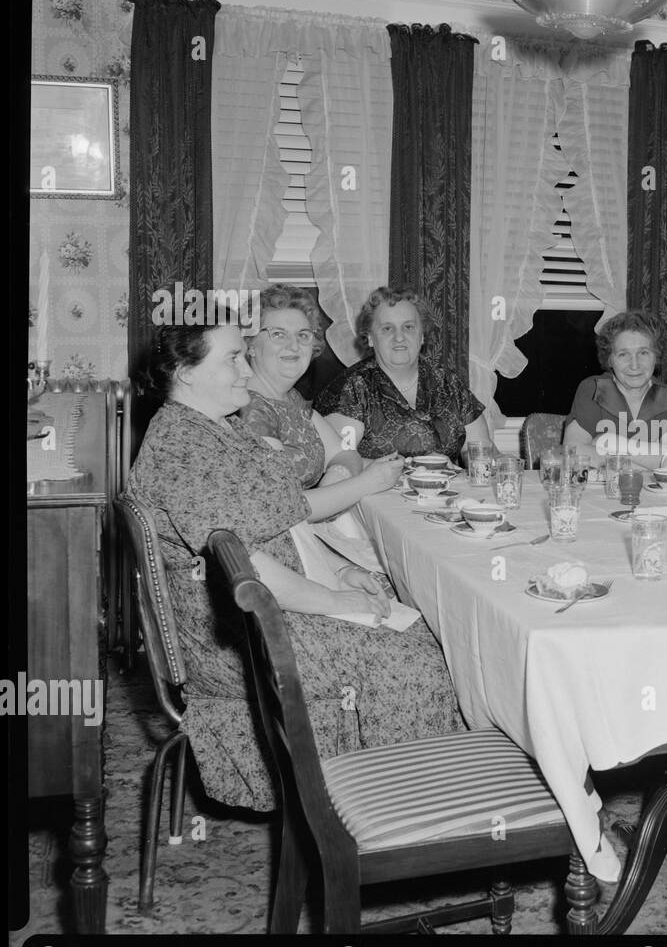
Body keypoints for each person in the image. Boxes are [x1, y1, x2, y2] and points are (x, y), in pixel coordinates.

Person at [129, 322, 466, 812]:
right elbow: (243, 563)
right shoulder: (181, 448)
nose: (248, 370)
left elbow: (281, 516)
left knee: (422, 628)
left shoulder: (217, 429)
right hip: (238, 635)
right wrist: (333, 599)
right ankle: (392, 819)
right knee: (415, 657)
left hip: (266, 608)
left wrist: (336, 571)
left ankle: (417, 804)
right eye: (232, 360)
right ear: (185, 373)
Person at [240, 284, 406, 513]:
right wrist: (365, 483)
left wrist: (335, 478)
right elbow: (283, 510)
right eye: (278, 334)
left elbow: (346, 455)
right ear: (250, 345)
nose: (294, 345)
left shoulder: (291, 398)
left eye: (303, 335)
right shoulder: (248, 409)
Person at [315, 285, 493, 460]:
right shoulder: (351, 389)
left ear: (422, 335)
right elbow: (340, 461)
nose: (399, 337)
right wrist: (415, 469)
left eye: (408, 327)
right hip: (376, 489)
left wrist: (480, 462)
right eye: (387, 328)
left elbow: (479, 449)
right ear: (370, 337)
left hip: (446, 488)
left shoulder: (449, 383)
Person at [562, 310, 667, 469]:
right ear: (610, 360)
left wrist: (607, 443)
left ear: (656, 356)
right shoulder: (595, 390)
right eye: (623, 354)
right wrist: (647, 458)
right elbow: (573, 451)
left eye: (643, 352)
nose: (634, 364)